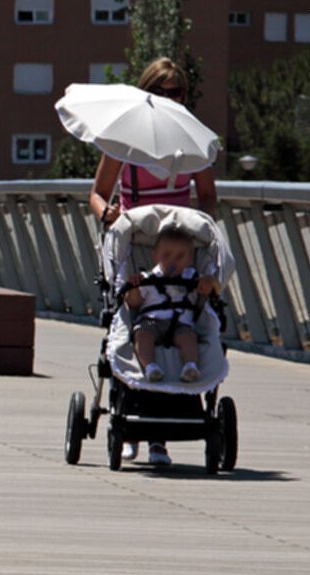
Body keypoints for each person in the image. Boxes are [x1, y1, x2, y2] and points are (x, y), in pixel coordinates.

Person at [86, 57, 220, 466]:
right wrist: (107, 214)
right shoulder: (123, 141)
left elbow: (208, 194)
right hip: (137, 240)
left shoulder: (192, 141)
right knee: (133, 319)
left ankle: (161, 435)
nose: (167, 98)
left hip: (178, 242)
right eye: (158, 92)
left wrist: (206, 226)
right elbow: (96, 194)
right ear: (145, 94)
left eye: (174, 92)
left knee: (184, 320)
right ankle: (131, 421)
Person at [125, 226, 204, 384]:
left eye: (180, 256)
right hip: (151, 320)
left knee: (189, 338)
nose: (173, 261)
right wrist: (133, 288)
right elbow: (134, 303)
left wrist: (209, 283)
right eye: (166, 255)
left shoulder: (192, 277)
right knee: (142, 335)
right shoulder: (148, 278)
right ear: (155, 256)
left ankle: (190, 366)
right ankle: (150, 367)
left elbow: (212, 288)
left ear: (189, 259)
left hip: (181, 324)